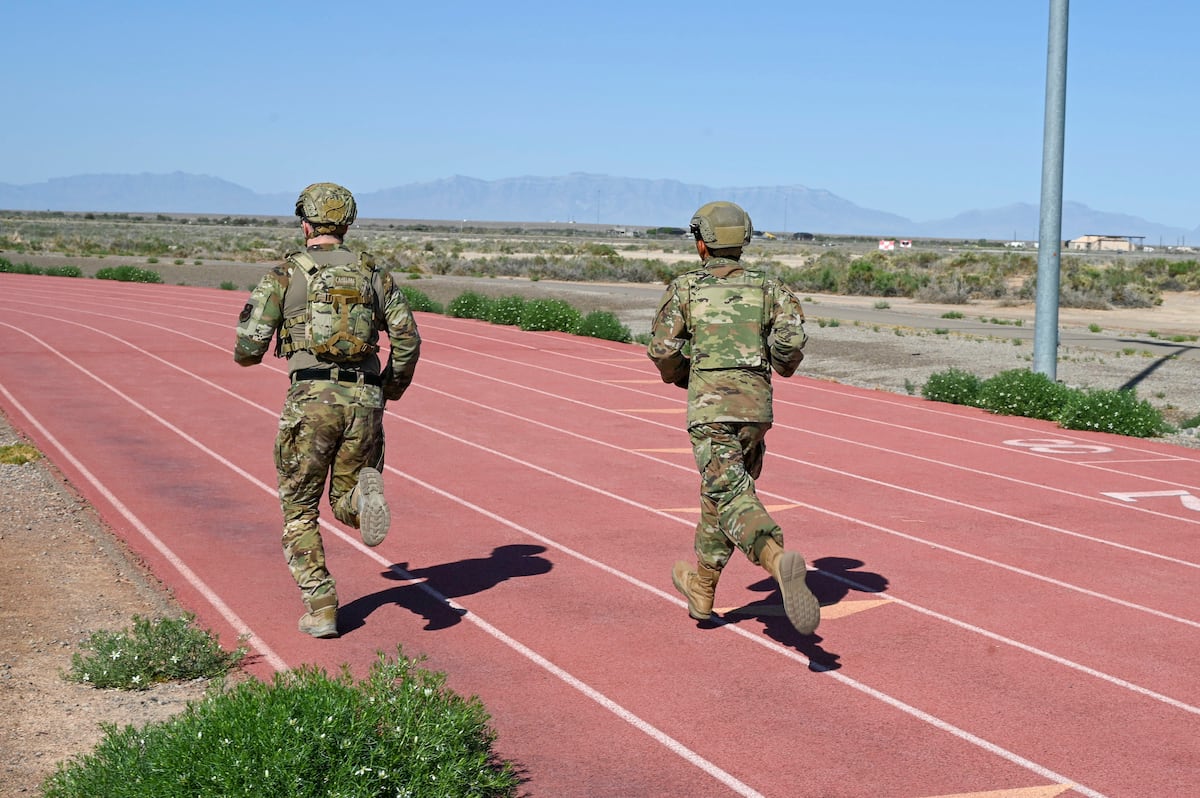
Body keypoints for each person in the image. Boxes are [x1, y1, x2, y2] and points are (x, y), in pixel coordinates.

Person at [234, 182, 421, 639]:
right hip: (365, 401)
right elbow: (408, 339)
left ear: (305, 224)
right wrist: (388, 389)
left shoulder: (285, 274)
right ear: (347, 224)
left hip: (312, 401)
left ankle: (321, 608)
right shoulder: (375, 275)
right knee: (342, 499)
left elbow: (248, 348)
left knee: (300, 509)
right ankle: (361, 500)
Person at [647, 200, 820, 635]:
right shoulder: (771, 288)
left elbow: (663, 350)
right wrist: (777, 365)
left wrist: (686, 376)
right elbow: (789, 344)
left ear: (701, 243)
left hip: (710, 410)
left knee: (730, 495)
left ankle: (776, 560)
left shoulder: (685, 288)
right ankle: (702, 588)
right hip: (755, 411)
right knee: (722, 494)